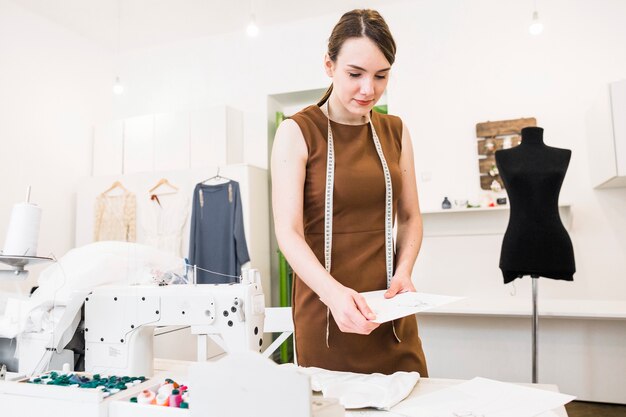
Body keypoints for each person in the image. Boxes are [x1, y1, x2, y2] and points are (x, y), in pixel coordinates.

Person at [271, 9, 428, 375]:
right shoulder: (297, 132)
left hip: (389, 310)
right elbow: (288, 232)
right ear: (329, 65)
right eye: (355, 74)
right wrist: (333, 295)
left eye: (381, 76)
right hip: (326, 313)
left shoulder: (396, 132)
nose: (368, 89)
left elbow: (410, 217)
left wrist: (404, 271)